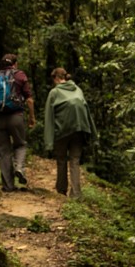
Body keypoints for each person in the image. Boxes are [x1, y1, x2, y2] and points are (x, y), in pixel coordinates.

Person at [43, 67, 96, 199]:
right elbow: (87, 112)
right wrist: (92, 134)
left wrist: (48, 142)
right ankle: (76, 194)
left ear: (56, 78)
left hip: (62, 131)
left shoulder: (54, 92)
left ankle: (61, 191)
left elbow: (49, 117)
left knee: (61, 160)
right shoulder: (78, 90)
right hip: (79, 129)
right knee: (75, 161)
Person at [0, 53, 36, 192]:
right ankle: (19, 167)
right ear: (14, 64)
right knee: (20, 145)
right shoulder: (20, 75)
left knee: (3, 152)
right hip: (16, 117)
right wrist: (32, 117)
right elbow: (29, 99)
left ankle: (8, 186)